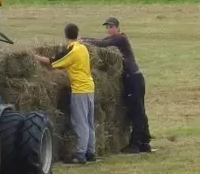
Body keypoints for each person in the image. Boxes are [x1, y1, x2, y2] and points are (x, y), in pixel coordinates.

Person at [80, 17, 152, 154]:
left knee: (137, 111)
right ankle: (145, 141)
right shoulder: (113, 40)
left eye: (111, 27)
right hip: (133, 77)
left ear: (118, 28)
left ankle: (136, 145)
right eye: (107, 27)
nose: (109, 29)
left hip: (133, 78)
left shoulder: (120, 39)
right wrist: (83, 38)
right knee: (138, 109)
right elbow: (101, 41)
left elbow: (101, 43)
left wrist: (83, 42)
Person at [34, 23, 96, 164]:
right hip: (90, 87)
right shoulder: (83, 48)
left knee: (80, 122)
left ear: (66, 35)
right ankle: (91, 152)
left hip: (79, 89)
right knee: (89, 122)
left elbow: (52, 62)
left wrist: (35, 58)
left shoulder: (72, 51)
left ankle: (81, 154)